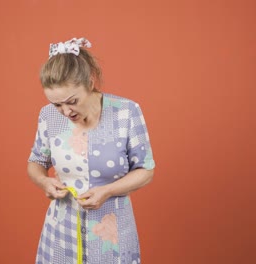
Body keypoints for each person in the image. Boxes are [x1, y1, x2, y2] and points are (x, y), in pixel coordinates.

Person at [27, 37, 156, 264]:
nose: (66, 112)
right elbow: (36, 161)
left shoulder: (126, 112)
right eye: (57, 105)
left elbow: (146, 170)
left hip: (112, 233)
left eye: (72, 101)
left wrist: (107, 191)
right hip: (61, 231)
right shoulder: (47, 116)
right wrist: (43, 181)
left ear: (89, 81)